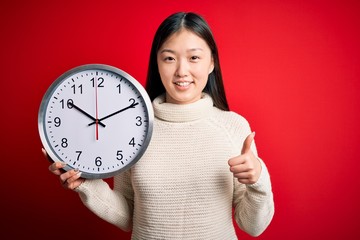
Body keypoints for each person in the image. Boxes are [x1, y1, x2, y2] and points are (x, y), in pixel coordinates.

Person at [44, 12, 274, 239]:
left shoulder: (233, 127)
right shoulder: (133, 128)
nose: (181, 71)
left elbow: (253, 227)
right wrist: (87, 184)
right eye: (169, 58)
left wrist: (258, 180)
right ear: (157, 62)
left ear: (211, 62)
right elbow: (127, 217)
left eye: (194, 58)